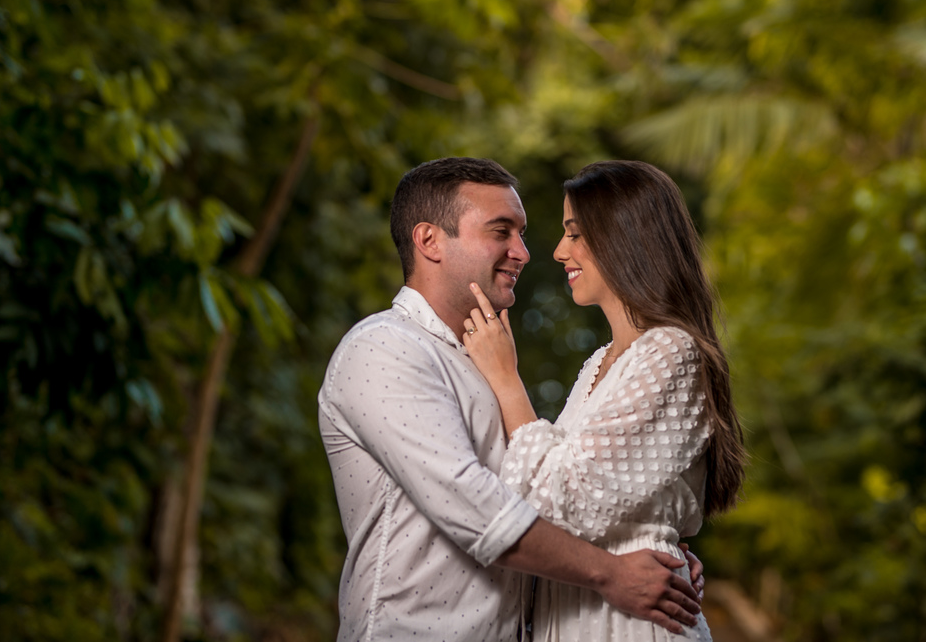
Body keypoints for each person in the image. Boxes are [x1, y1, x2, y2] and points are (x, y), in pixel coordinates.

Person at [317, 157, 704, 641]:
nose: (524, 252)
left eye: (521, 234)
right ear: (429, 241)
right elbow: (477, 512)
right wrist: (613, 571)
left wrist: (645, 534)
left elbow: (552, 492)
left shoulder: (488, 363)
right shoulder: (385, 349)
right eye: (501, 231)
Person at [461, 160, 747, 641]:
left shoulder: (670, 351)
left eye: (574, 233)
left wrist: (506, 379)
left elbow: (563, 496)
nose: (558, 251)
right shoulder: (599, 363)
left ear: (625, 237)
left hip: (629, 622)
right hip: (580, 610)